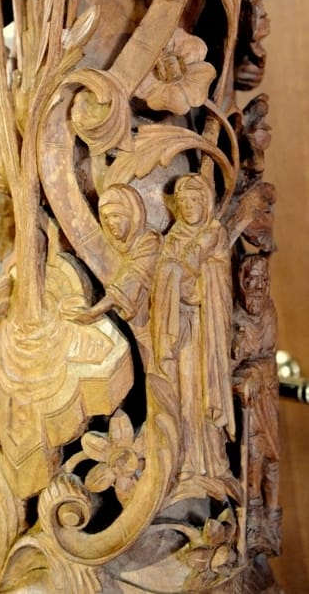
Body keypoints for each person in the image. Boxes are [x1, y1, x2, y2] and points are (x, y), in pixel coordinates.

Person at [152, 174, 236, 494]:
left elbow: (210, 277)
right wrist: (175, 275)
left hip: (208, 330)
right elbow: (167, 275)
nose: (188, 207)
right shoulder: (174, 237)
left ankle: (215, 463)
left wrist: (184, 273)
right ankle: (187, 463)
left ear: (206, 202)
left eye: (194, 201)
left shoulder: (214, 233)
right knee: (186, 396)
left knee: (207, 394)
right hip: (182, 328)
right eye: (182, 202)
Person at [67, 184, 161, 363]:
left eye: (116, 216)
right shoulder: (116, 246)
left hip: (156, 328)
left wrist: (93, 312)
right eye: (106, 217)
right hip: (133, 332)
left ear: (132, 215)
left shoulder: (150, 242)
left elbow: (131, 282)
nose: (110, 223)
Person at [232, 255, 281, 555]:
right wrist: (242, 376)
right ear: (242, 282)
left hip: (266, 399)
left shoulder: (269, 312)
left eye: (263, 281)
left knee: (272, 460)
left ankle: (272, 521)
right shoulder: (235, 320)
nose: (258, 287)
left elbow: (268, 357)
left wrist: (254, 372)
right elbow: (227, 367)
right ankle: (252, 523)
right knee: (252, 457)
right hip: (247, 405)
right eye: (252, 281)